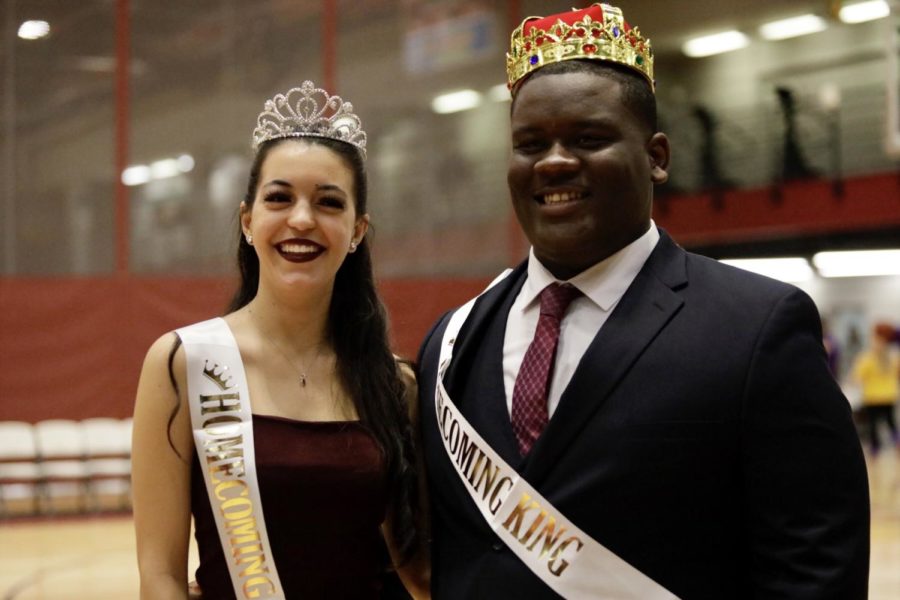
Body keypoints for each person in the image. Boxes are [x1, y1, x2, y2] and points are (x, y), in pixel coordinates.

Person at [416, 4, 870, 599]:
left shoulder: (757, 328)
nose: (553, 160)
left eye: (589, 138)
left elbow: (814, 566)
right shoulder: (453, 340)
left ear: (656, 157)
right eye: (530, 143)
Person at [132, 81, 429, 599]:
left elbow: (417, 568)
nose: (301, 219)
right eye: (279, 198)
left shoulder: (393, 383)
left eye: (328, 203)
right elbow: (159, 575)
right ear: (249, 220)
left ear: (357, 231)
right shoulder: (183, 365)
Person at [852, 321, 900, 455]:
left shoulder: (868, 357)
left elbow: (857, 376)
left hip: (874, 396)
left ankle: (876, 448)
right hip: (886, 395)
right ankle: (885, 444)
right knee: (889, 422)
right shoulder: (893, 356)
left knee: (878, 423)